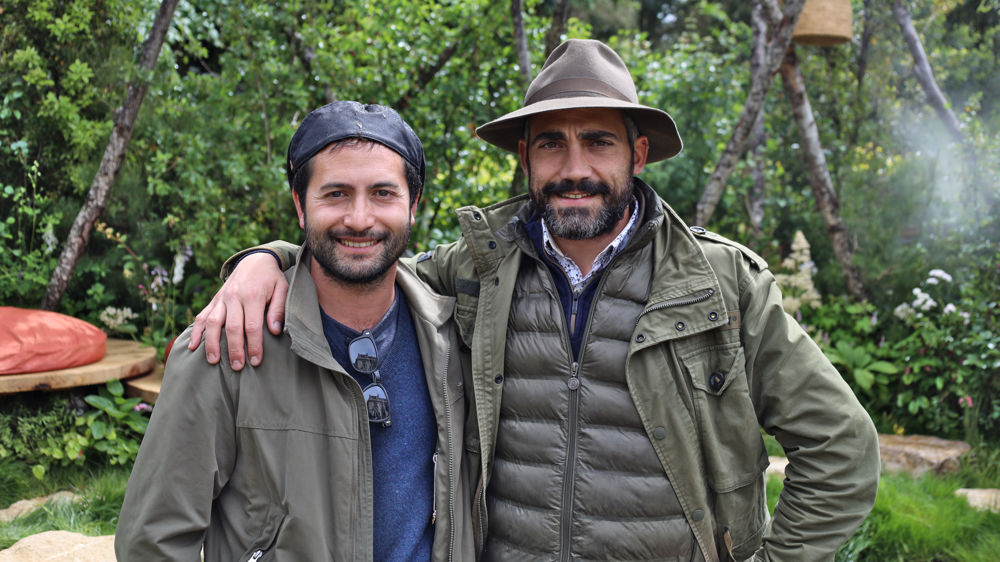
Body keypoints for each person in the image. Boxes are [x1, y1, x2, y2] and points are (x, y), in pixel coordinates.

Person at [190, 40, 880, 561]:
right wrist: (270, 260)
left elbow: (841, 448)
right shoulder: (476, 268)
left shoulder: (718, 286)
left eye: (598, 142)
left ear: (638, 154)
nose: (574, 168)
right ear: (525, 156)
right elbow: (364, 261)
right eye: (552, 144)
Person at [116, 101, 476, 561]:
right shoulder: (224, 345)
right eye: (336, 194)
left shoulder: (453, 336)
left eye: (383, 193)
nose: (360, 219)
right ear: (300, 206)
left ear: (413, 206)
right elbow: (154, 542)